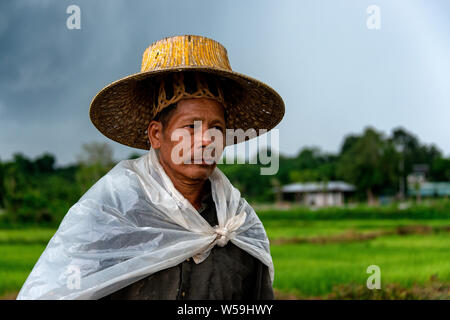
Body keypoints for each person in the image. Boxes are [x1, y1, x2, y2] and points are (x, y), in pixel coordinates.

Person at [17, 35, 285, 300]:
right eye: (191, 127)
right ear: (157, 134)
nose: (206, 140)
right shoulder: (110, 216)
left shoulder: (236, 225)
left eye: (216, 128)